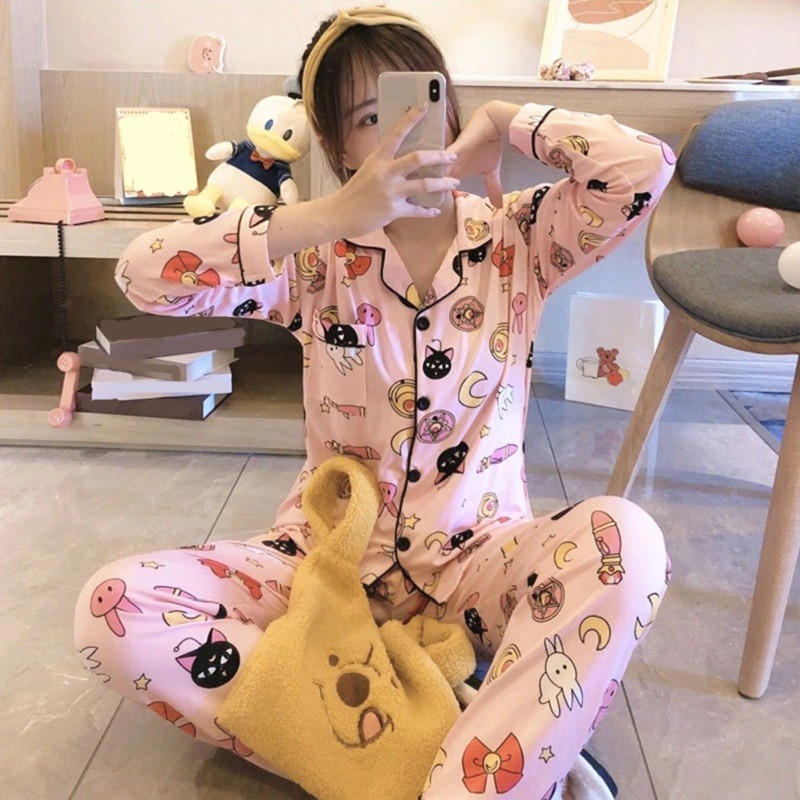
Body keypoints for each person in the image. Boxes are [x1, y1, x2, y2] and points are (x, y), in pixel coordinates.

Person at [74, 7, 675, 799]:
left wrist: (506, 120)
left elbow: (643, 169)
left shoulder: (521, 237)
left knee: (626, 542)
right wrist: (327, 216)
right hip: (321, 565)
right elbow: (142, 275)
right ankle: (456, 751)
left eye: (424, 99)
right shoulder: (312, 259)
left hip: (477, 567)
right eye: (370, 117)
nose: (404, 129)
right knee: (112, 612)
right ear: (337, 149)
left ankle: (398, 749)